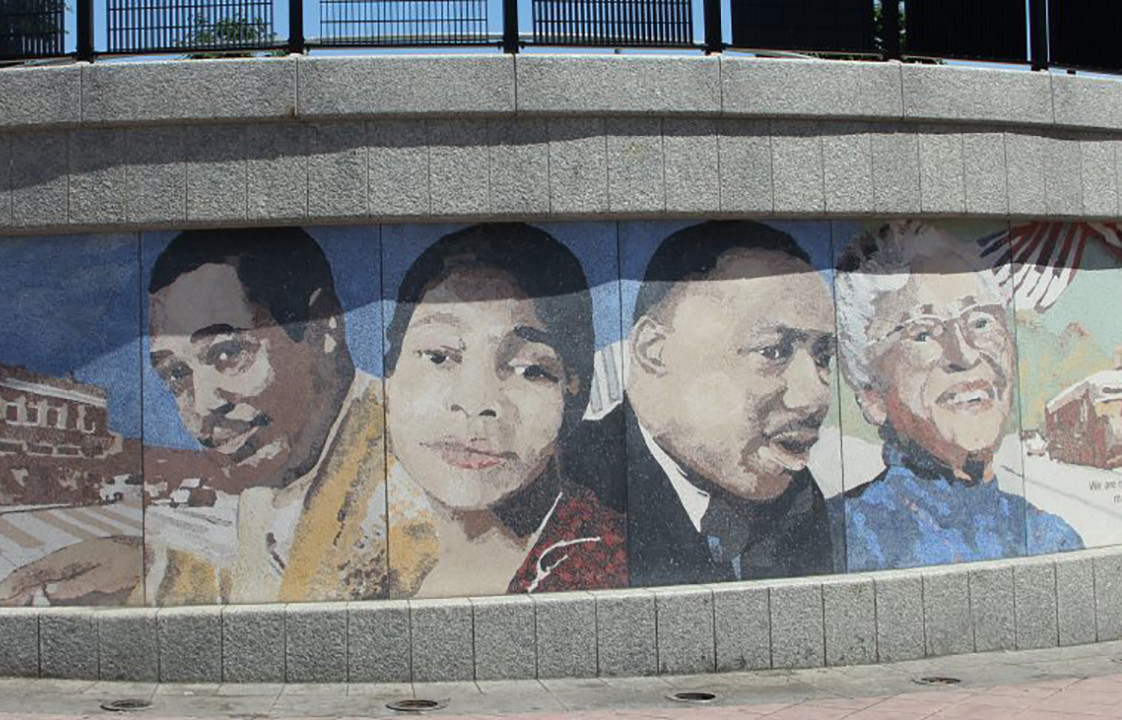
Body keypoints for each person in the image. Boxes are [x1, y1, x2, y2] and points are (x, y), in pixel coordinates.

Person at [0, 227, 393, 605]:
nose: (201, 408)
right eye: (176, 375)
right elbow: (268, 598)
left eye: (227, 353)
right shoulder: (267, 486)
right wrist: (147, 570)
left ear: (322, 325)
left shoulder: (414, 472)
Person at [573, 220, 842, 587]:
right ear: (654, 351)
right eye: (773, 351)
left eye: (823, 356)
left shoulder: (798, 499)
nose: (815, 397)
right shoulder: (569, 484)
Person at [383, 223, 627, 597]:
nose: (477, 401)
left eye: (530, 369)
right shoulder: (366, 556)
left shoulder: (602, 567)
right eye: (438, 356)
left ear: (571, 392)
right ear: (389, 378)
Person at [835, 221, 1083, 570]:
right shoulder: (840, 537)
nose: (965, 355)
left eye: (981, 322)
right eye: (922, 333)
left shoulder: (1053, 538)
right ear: (871, 396)